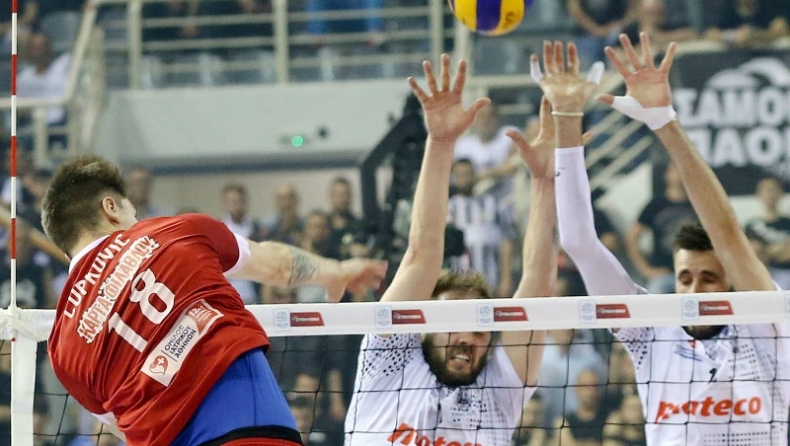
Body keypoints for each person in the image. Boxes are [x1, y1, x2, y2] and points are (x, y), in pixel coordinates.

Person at [41, 155, 388, 445]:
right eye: (133, 212)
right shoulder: (173, 231)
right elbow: (277, 266)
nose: (137, 221)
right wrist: (335, 271)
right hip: (249, 429)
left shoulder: (61, 349)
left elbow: (121, 426)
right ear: (111, 208)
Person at [548, 32, 787, 445]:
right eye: (685, 278)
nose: (694, 290)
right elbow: (579, 244)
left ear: (732, 284)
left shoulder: (765, 321)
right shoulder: (652, 332)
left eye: (709, 278)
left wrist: (663, 122)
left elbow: (728, 234)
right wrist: (567, 123)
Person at [345, 54, 557, 445]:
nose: (466, 338)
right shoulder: (388, 362)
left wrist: (545, 181)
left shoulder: (499, 391)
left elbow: (538, 283)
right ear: (423, 328)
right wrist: (441, 142)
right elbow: (421, 255)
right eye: (452, 322)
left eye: (478, 329)